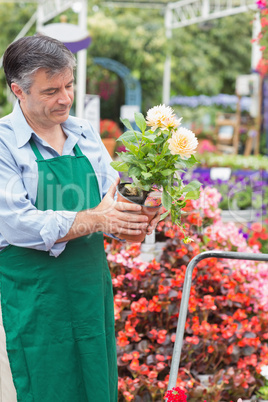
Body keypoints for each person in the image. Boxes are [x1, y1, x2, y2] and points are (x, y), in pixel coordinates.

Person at [0, 34, 160, 402]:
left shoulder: (84, 133)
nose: (66, 98)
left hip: (89, 292)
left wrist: (142, 212)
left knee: (94, 384)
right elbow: (18, 223)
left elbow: (113, 202)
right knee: (40, 387)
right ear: (18, 91)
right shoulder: (4, 143)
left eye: (70, 85)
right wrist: (101, 219)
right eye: (51, 90)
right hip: (31, 298)